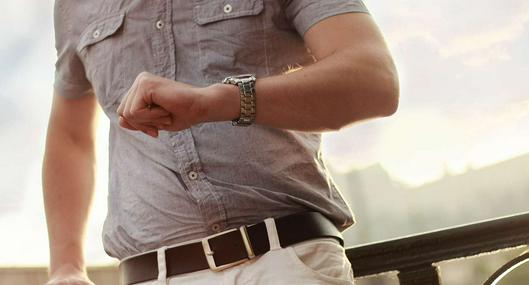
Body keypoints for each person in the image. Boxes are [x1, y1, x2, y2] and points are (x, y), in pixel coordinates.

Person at [43, 0, 398, 284]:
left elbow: (373, 79)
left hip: (284, 264)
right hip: (149, 274)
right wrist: (65, 265)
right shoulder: (73, 7)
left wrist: (218, 101)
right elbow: (70, 135)